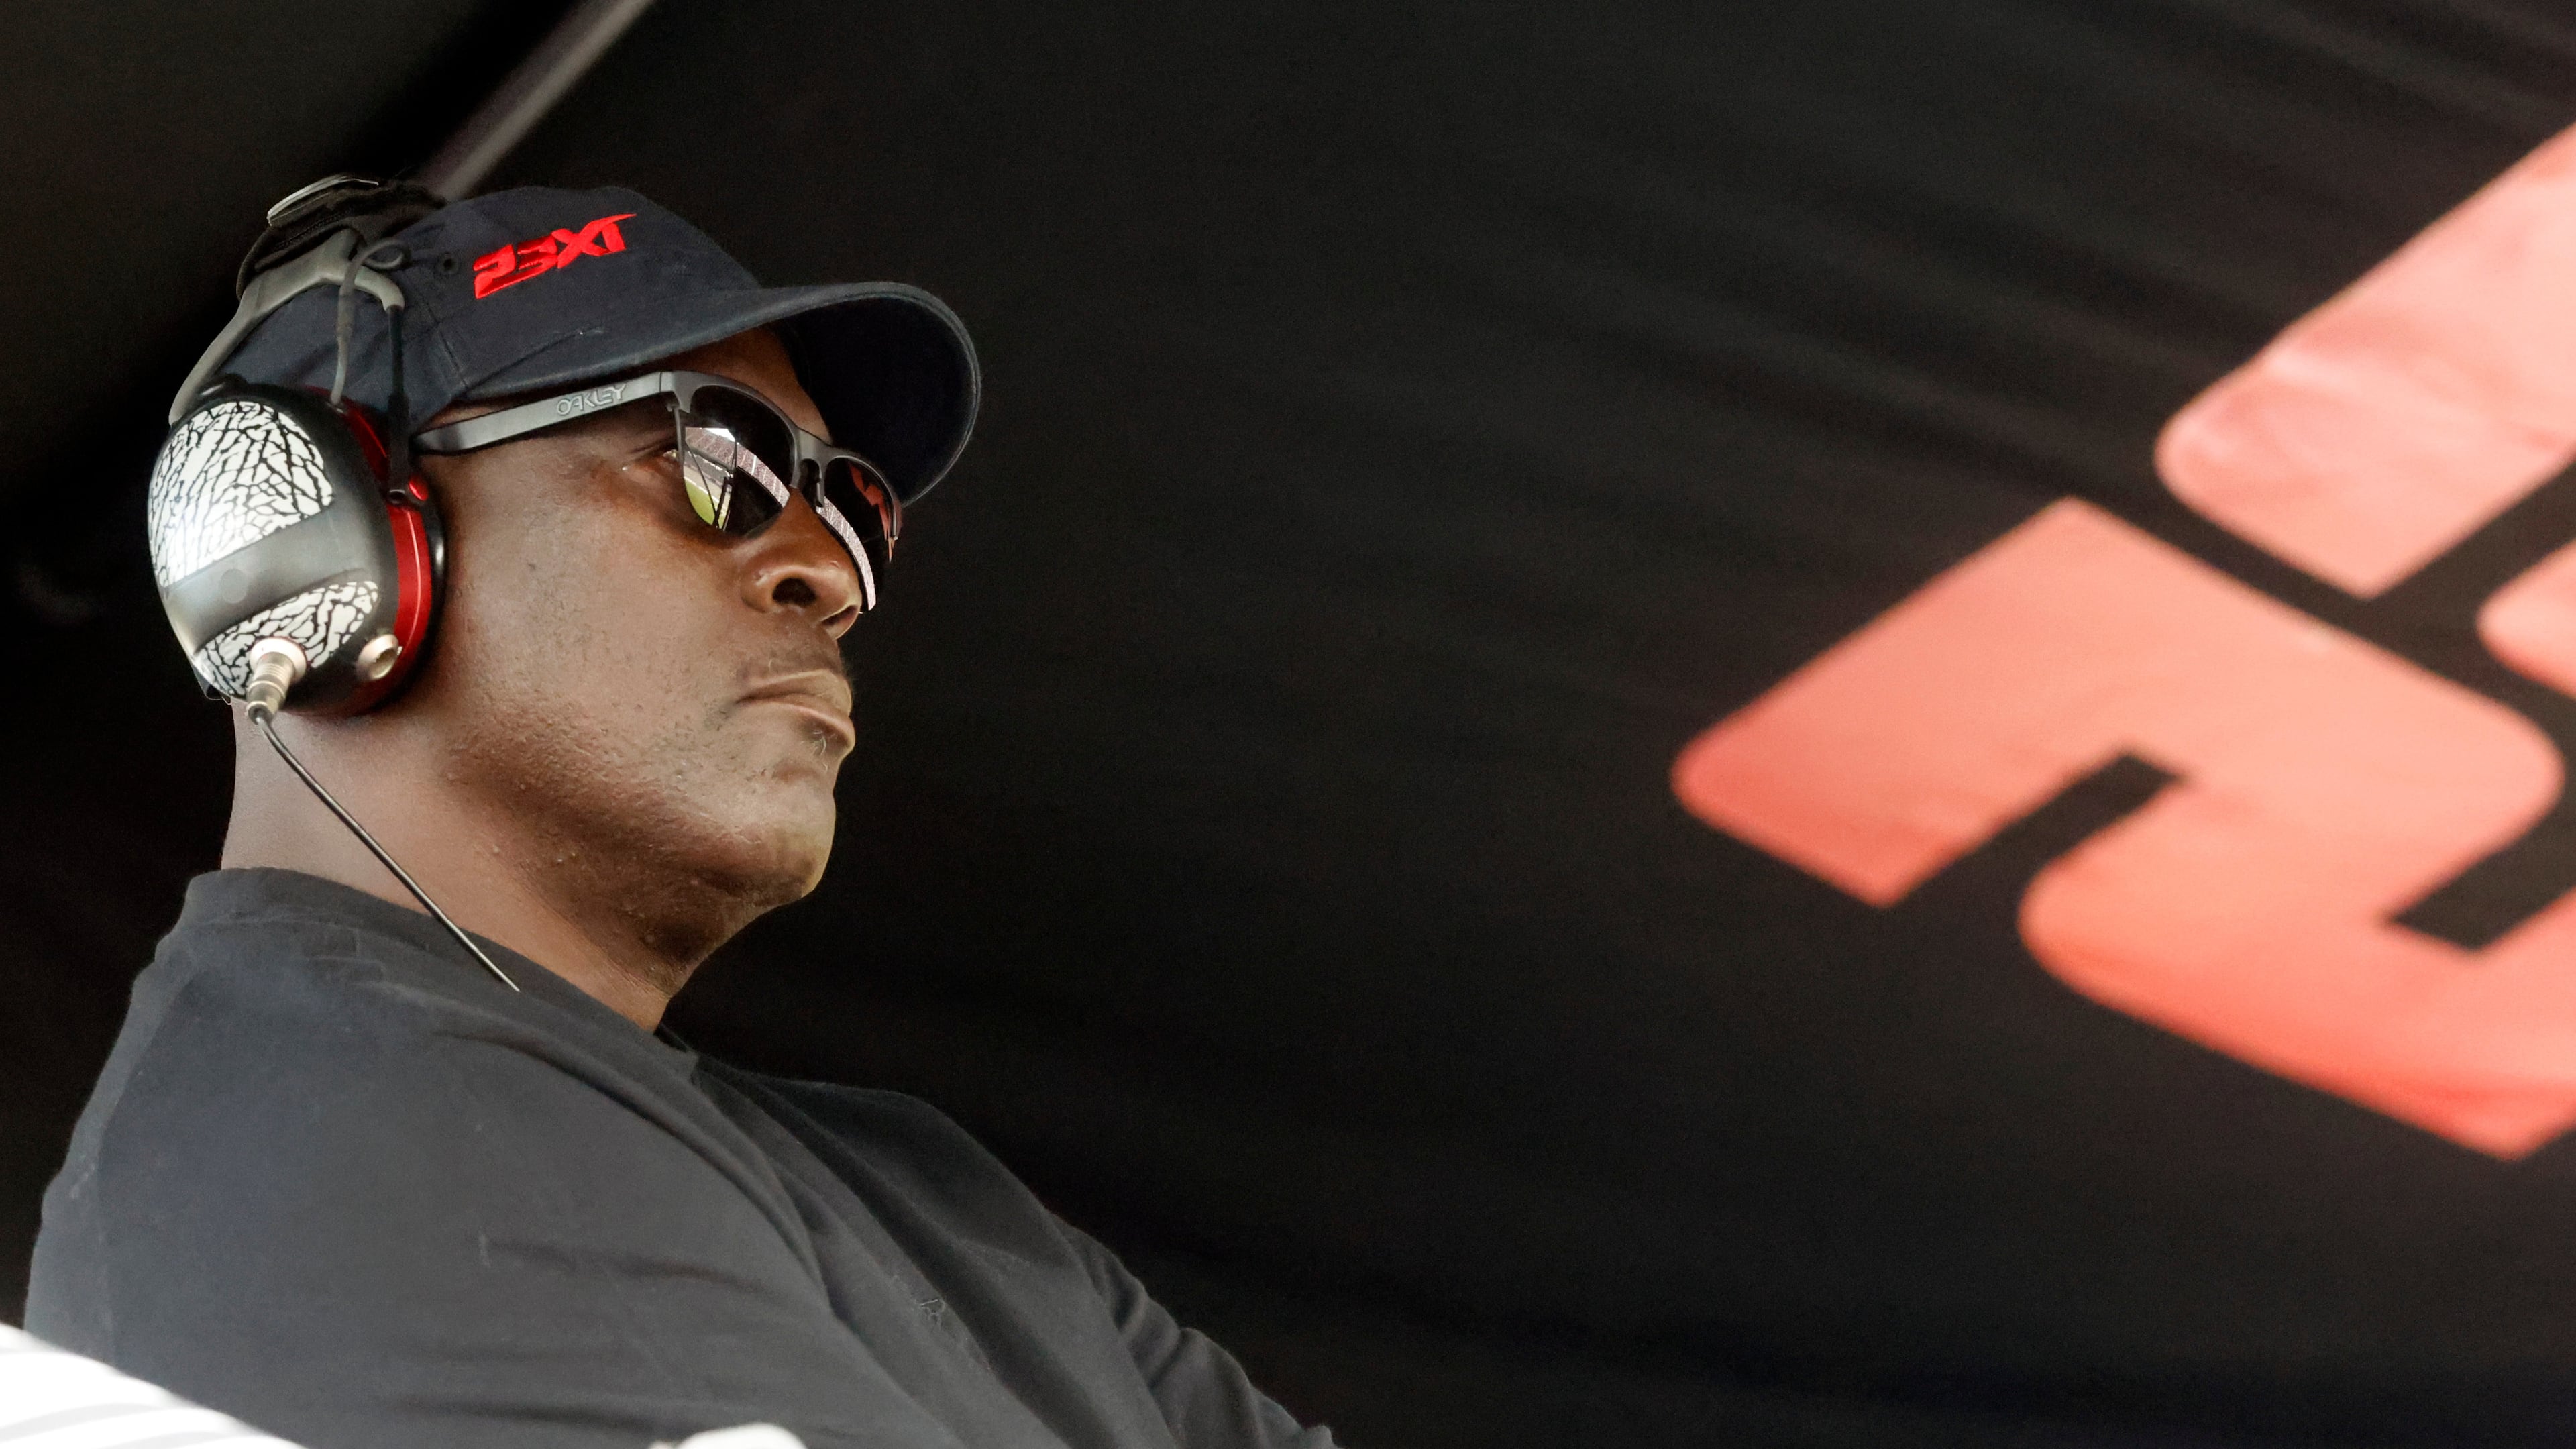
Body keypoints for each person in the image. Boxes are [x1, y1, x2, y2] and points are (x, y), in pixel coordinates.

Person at [25, 182, 1336, 1449]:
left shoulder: (933, 1190)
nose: (830, 572)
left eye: (854, 508)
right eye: (717, 458)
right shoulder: (330, 1140)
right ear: (314, 547)